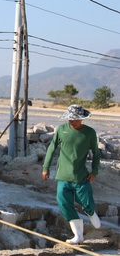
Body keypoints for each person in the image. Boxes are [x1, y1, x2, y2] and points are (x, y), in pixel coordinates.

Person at [42, 104, 101, 244]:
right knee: (64, 204)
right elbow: (51, 148)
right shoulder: (62, 129)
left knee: (86, 202)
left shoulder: (90, 133)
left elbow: (96, 154)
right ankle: (78, 236)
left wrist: (94, 171)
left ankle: (91, 212)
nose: (71, 121)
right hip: (62, 176)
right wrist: (46, 167)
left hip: (81, 176)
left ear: (81, 119)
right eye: (69, 118)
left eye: (74, 119)